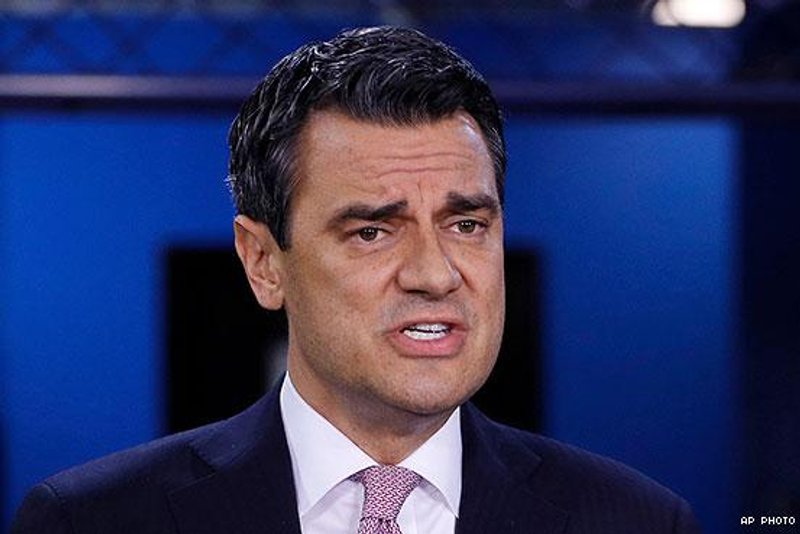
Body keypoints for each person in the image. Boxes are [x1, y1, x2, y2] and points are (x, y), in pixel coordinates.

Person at [12, 26, 701, 534]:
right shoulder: (92, 521)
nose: (435, 274)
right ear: (263, 262)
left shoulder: (638, 521)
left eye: (466, 224)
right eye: (373, 231)